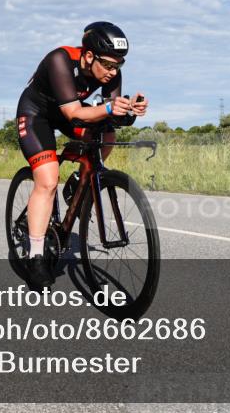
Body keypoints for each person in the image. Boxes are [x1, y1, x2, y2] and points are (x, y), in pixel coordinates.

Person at [16, 22, 148, 288]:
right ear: (88, 56)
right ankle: (37, 255)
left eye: (118, 66)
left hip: (70, 110)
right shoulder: (60, 59)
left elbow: (110, 114)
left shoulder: (112, 71)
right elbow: (74, 114)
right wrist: (111, 109)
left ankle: (79, 179)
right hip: (37, 114)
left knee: (107, 134)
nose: (113, 72)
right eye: (108, 65)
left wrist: (130, 110)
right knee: (48, 179)